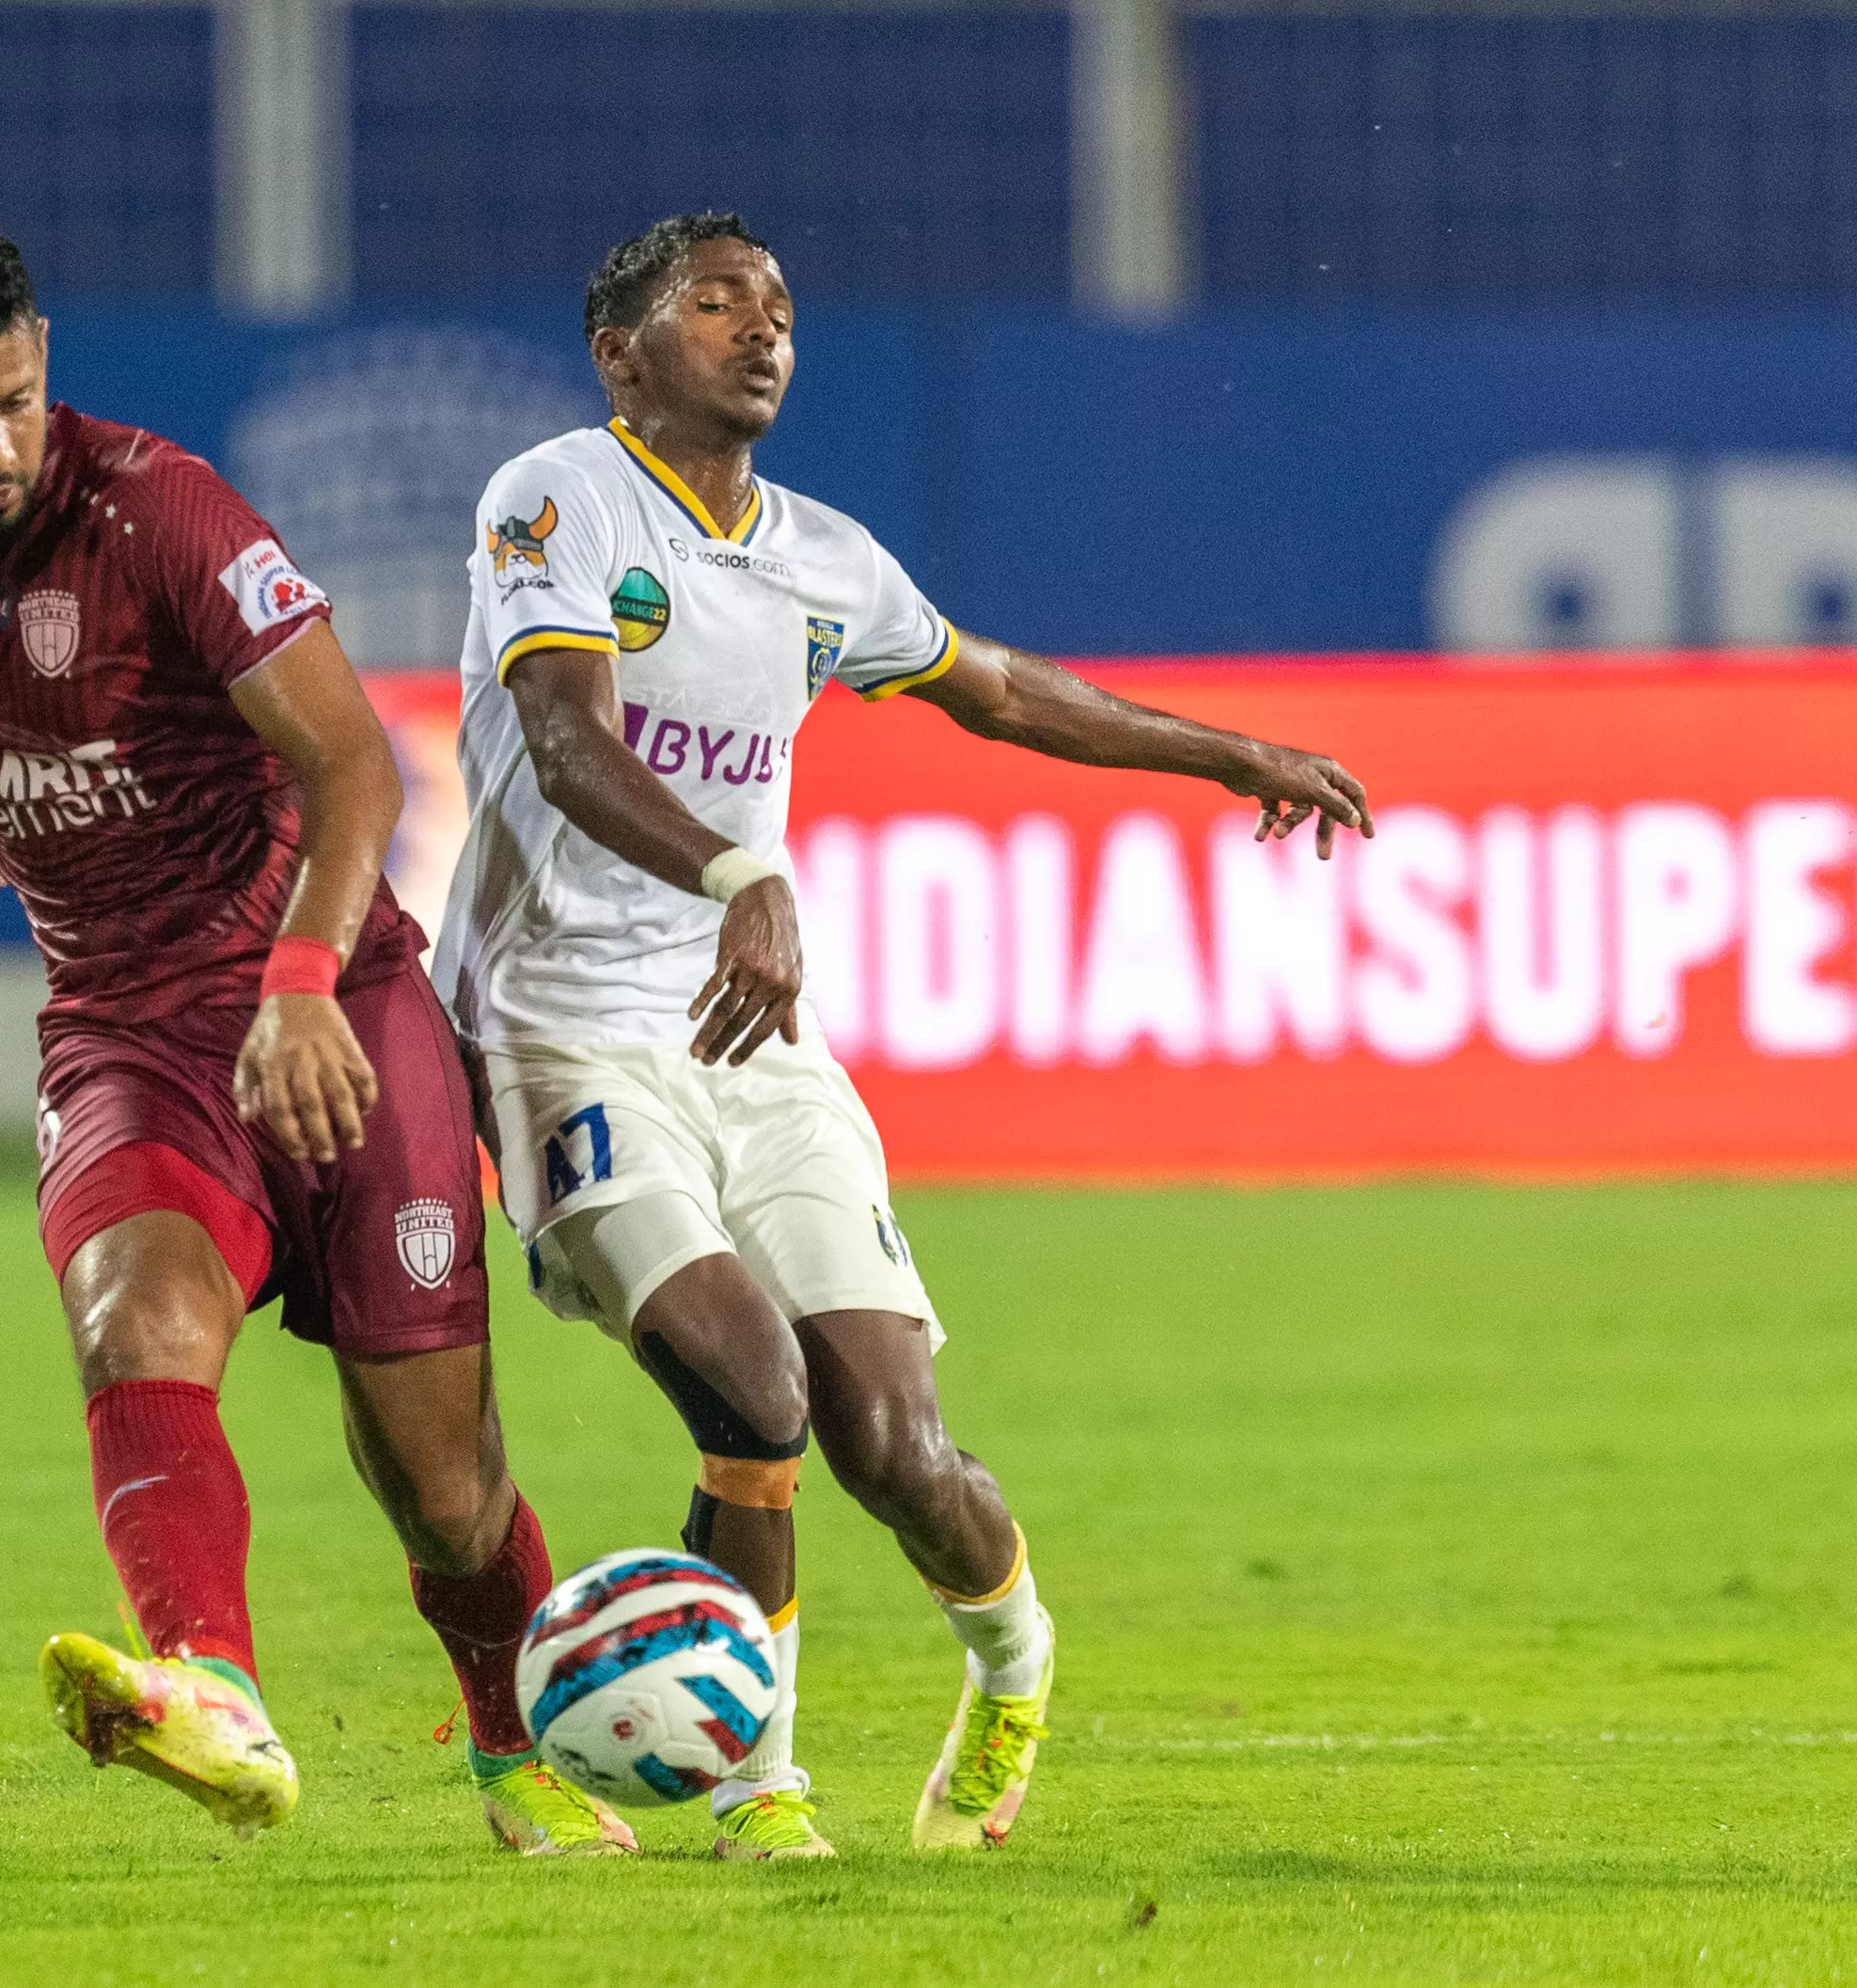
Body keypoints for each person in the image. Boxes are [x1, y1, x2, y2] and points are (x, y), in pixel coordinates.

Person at [437, 213, 1374, 1859]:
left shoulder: (825, 555)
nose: (761, 328)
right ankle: (760, 1791)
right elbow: (567, 745)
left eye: (778, 306)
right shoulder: (555, 495)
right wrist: (740, 866)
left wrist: (1227, 755)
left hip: (758, 1048)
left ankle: (1012, 1655)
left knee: (889, 1439)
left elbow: (1001, 691)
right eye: (716, 301)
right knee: (750, 1384)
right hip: (562, 1039)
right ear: (621, 352)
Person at [0, 220, 633, 1854]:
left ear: (46, 361)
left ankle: (510, 1747)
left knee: (441, 1485)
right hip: (123, 1030)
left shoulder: (160, 510)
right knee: (135, 1321)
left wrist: (306, 976)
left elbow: (354, 771)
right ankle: (213, 1692)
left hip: (328, 999)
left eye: (19, 402)